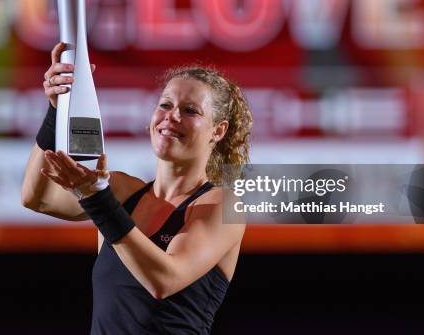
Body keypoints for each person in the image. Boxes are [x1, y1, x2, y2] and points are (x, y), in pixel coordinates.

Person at [21, 42, 252, 334]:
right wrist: (56, 110)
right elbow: (35, 197)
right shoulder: (120, 190)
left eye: (190, 110)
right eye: (165, 105)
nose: (172, 116)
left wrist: (97, 201)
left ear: (218, 131)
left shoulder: (222, 205)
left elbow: (164, 280)